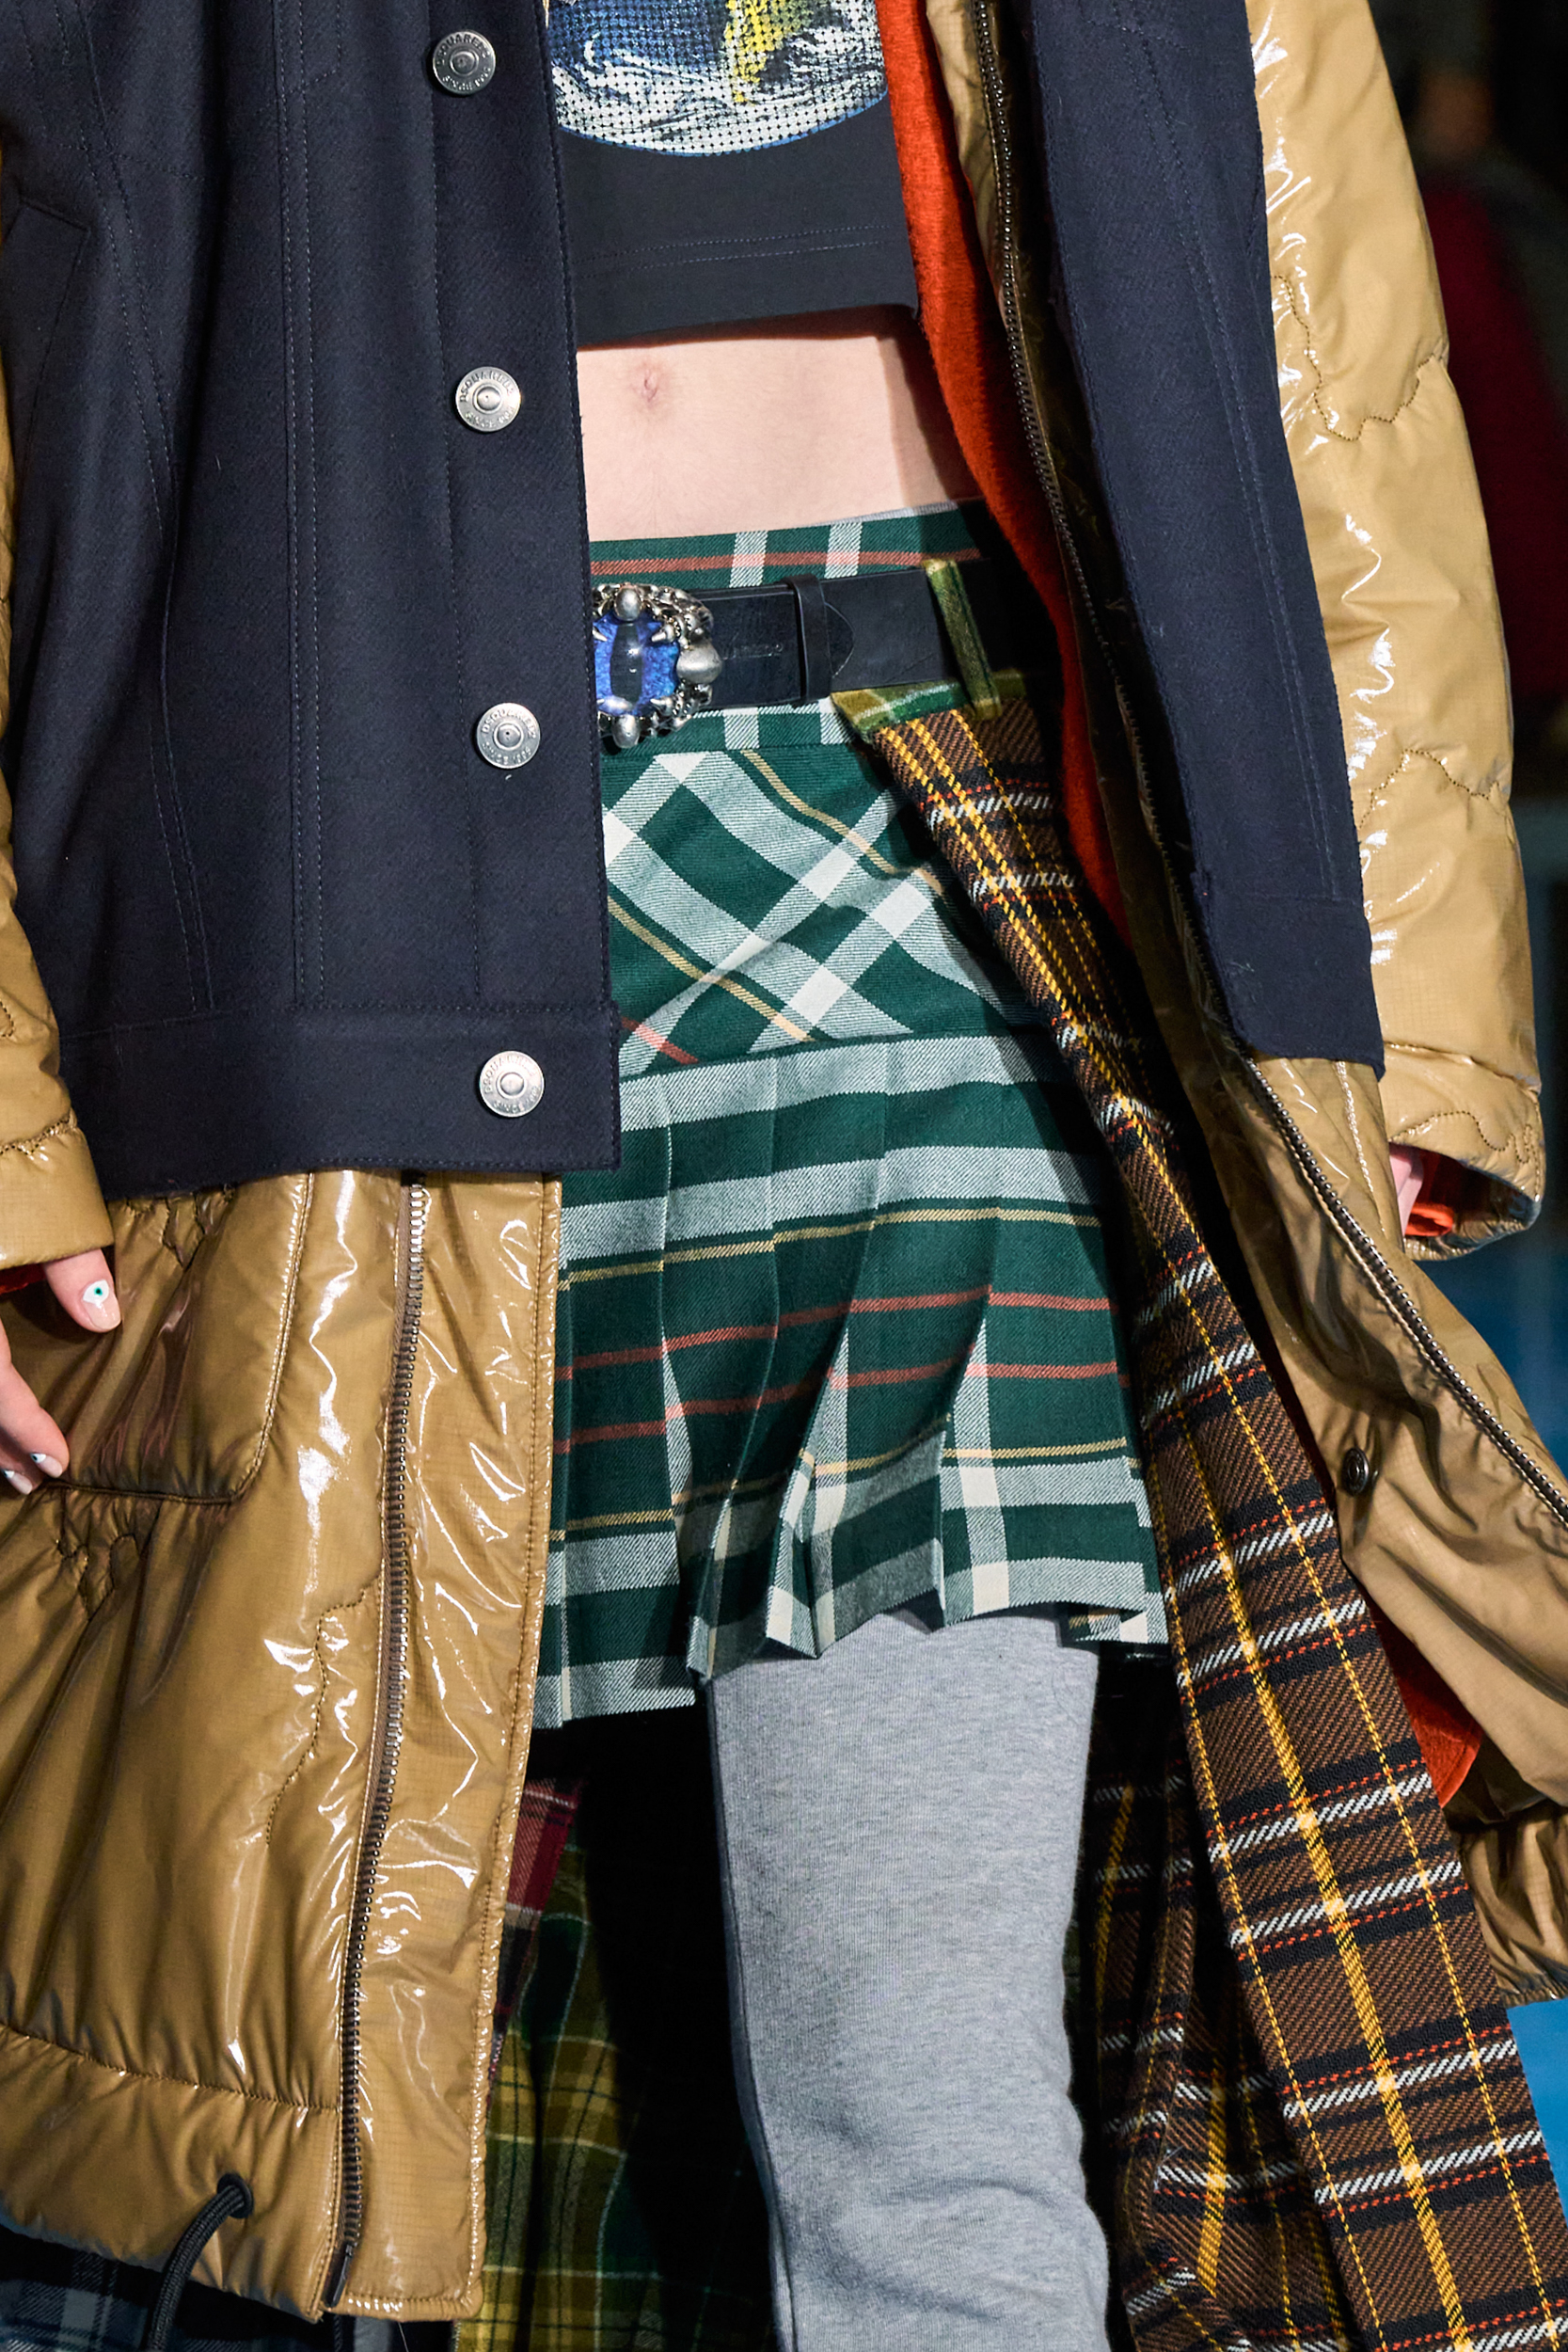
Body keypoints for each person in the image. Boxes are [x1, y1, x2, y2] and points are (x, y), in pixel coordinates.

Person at [0, 2, 1565, 2349]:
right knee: (344, 2089)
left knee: (918, 2104)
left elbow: (1322, 338)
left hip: (927, 889)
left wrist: (1407, 1024)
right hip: (305, 917)